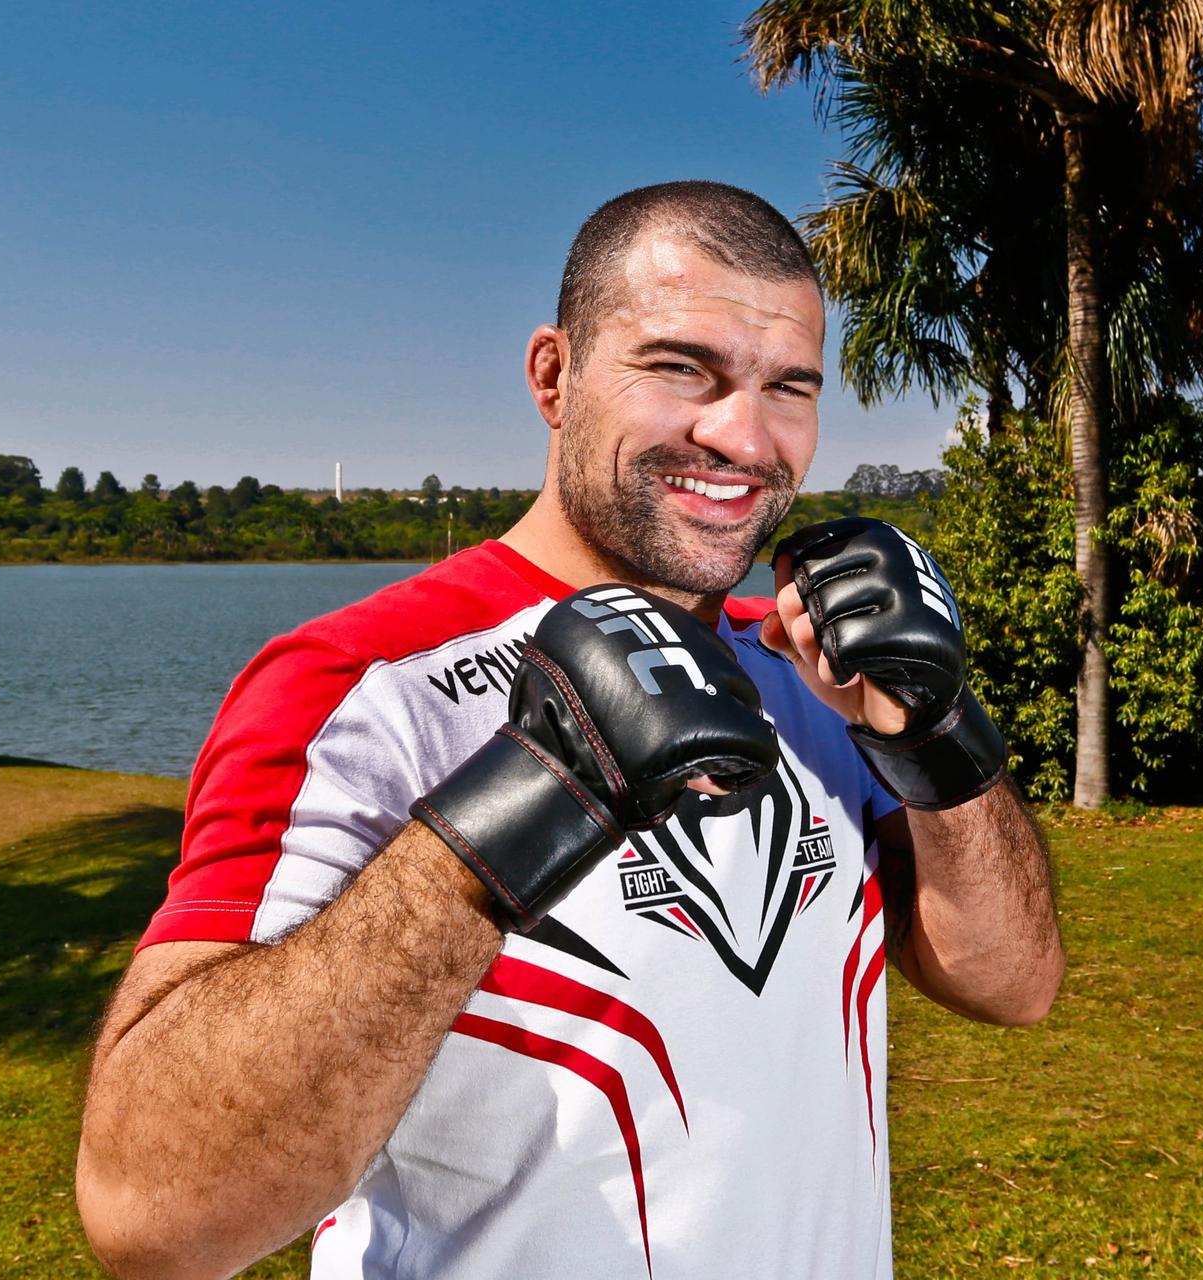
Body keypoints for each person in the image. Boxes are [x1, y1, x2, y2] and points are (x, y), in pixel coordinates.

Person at [76, 180, 1065, 1280]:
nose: (743, 435)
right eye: (683, 367)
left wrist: (935, 734)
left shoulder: (808, 669)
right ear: (555, 375)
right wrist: (518, 807)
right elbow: (151, 1212)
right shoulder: (361, 683)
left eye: (790, 386)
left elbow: (1011, 982)